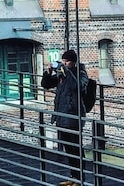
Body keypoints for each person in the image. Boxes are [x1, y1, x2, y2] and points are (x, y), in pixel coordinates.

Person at [42, 49, 89, 186]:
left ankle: (80, 179)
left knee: (76, 149)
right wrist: (48, 72)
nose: (64, 64)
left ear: (73, 62)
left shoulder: (80, 73)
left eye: (67, 61)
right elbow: (46, 85)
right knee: (68, 149)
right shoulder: (62, 74)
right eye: (63, 61)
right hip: (62, 117)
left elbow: (78, 87)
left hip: (74, 117)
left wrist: (66, 72)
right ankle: (73, 177)